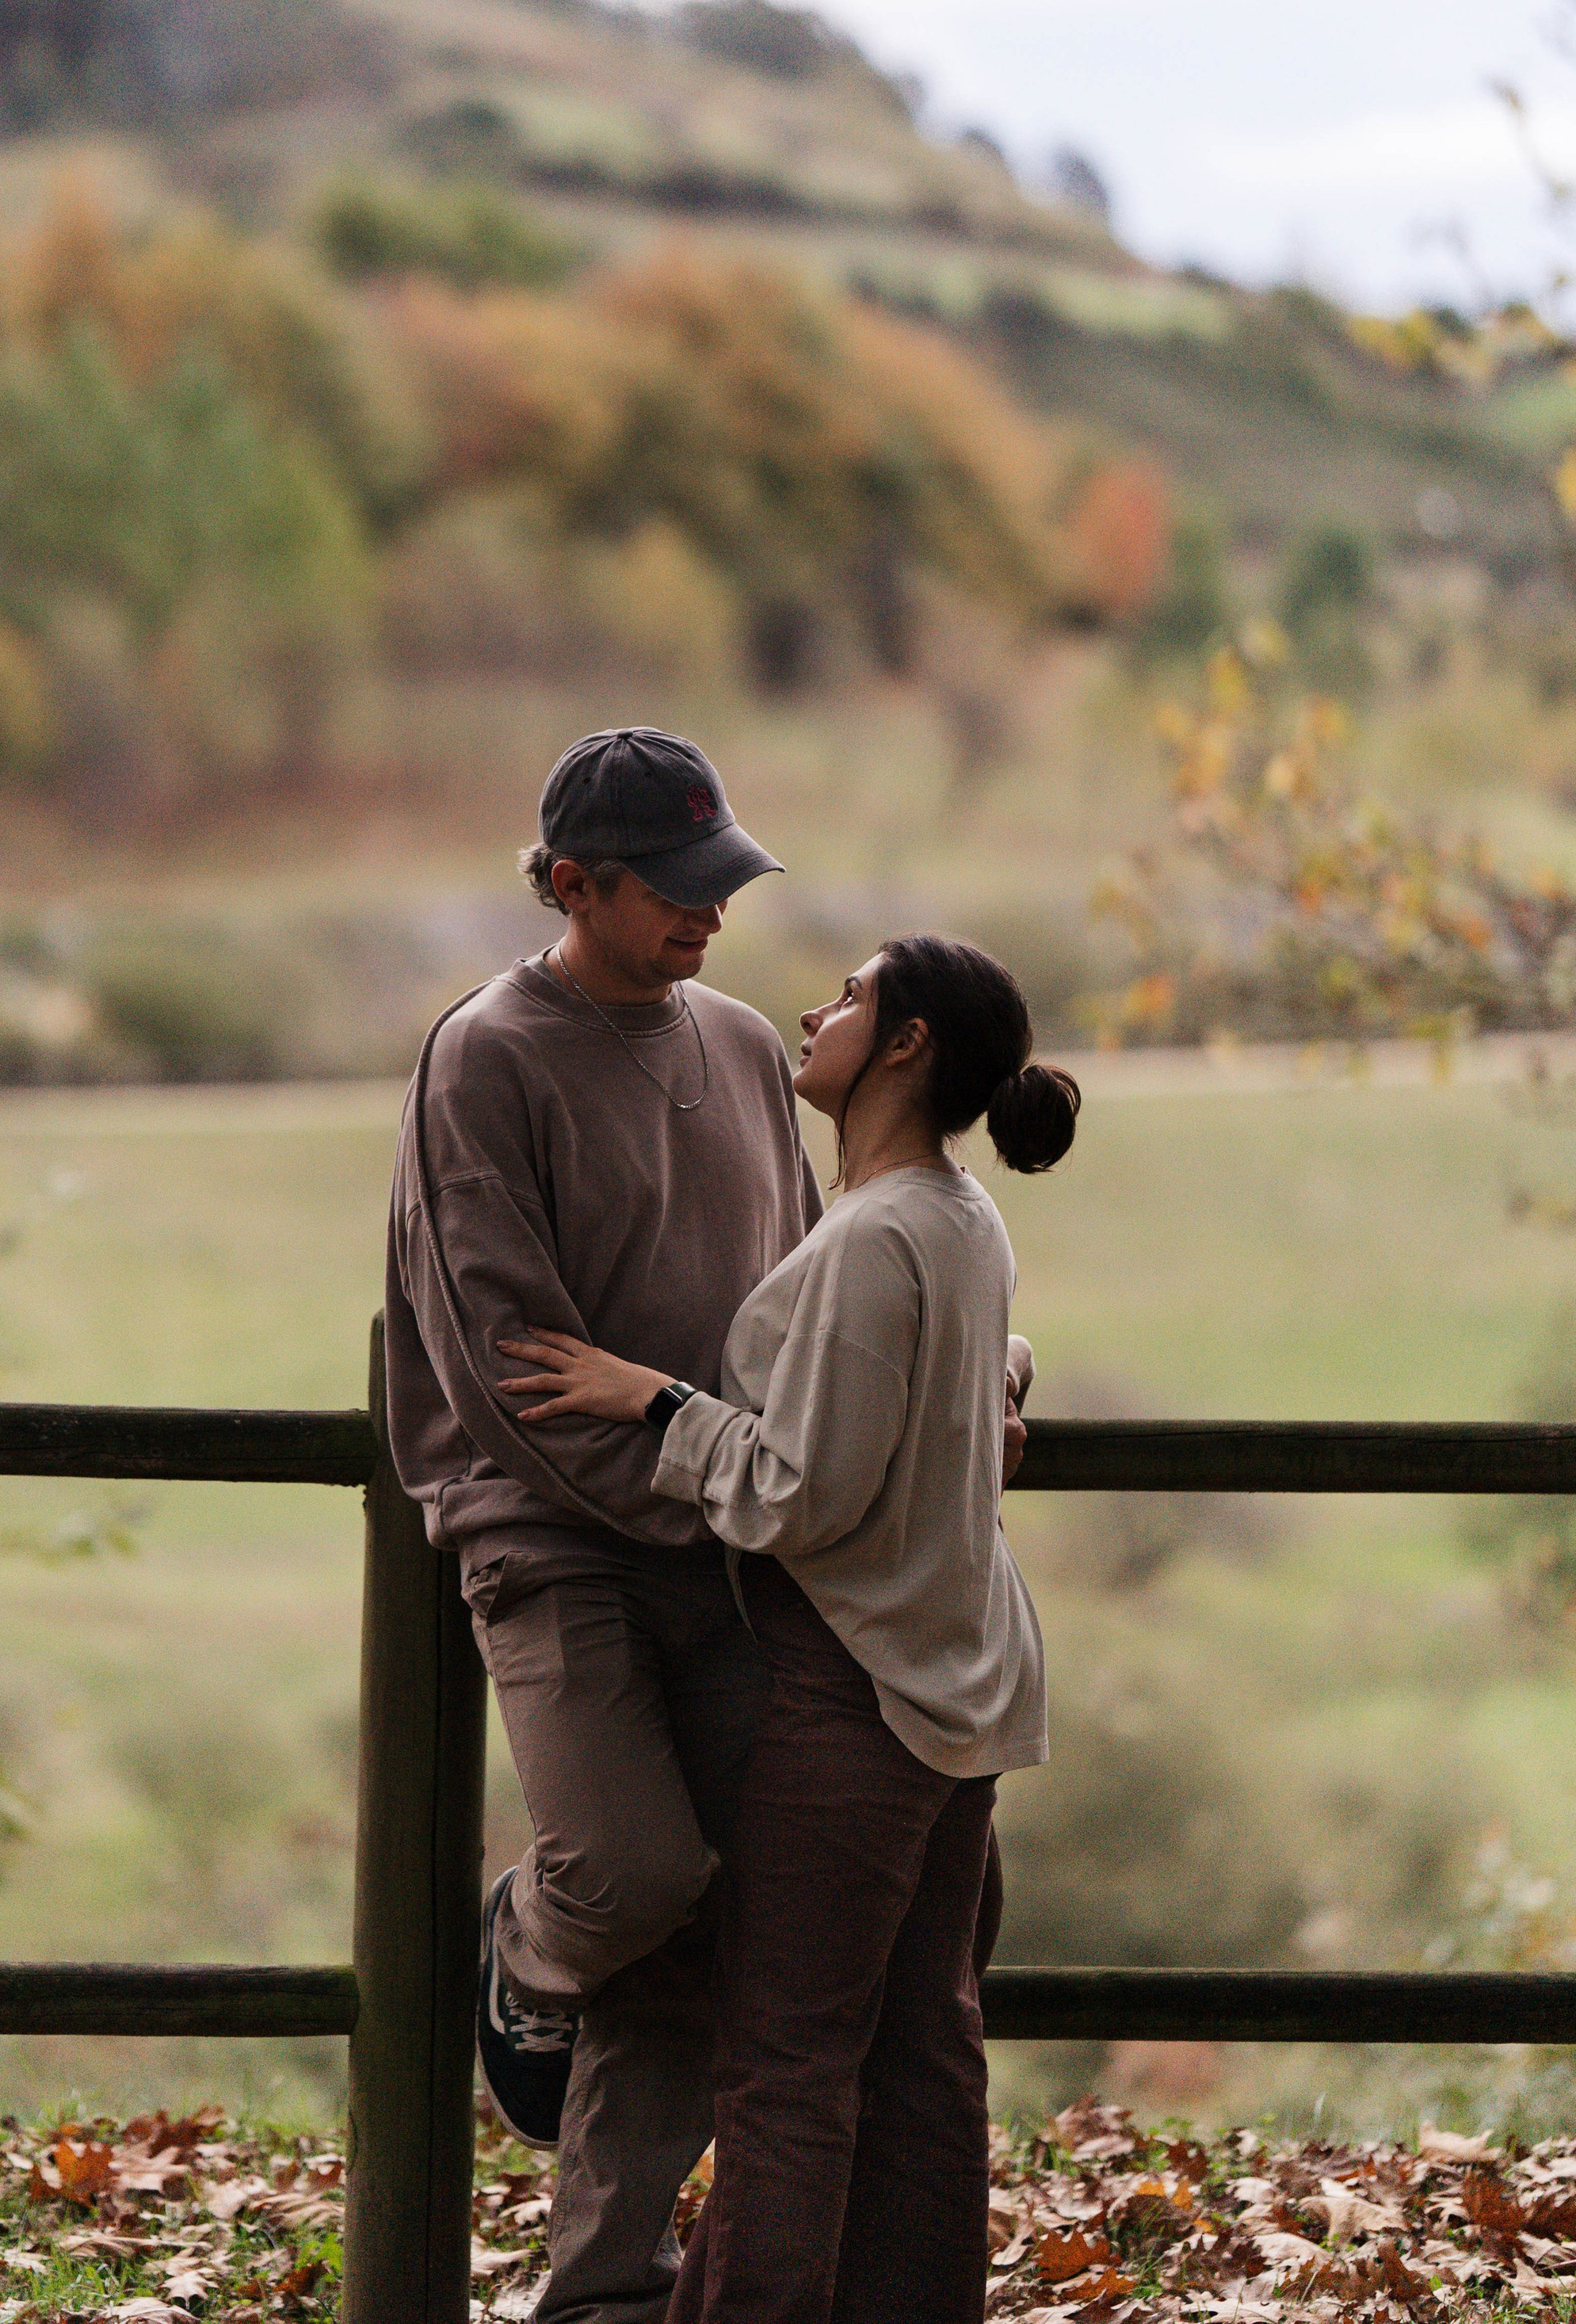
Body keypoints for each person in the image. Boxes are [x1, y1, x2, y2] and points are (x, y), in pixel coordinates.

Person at [498, 935, 1076, 2324]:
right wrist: (992, 1376)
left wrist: (648, 1398)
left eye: (851, 997)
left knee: (786, 2066)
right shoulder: (957, 1214)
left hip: (859, 1697)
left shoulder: (879, 1235)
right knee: (922, 2056)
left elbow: (798, 1495)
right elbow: (943, 1361)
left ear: (906, 1045)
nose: (814, 1013)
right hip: (965, 1686)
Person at [384, 726, 822, 2324]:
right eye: (673, 889)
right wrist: (717, 1483)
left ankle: (603, 2297)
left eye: (722, 881)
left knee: (705, 1923)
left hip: (728, 1529)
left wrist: (963, 1364)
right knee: (627, 1878)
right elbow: (502, 1354)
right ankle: (525, 1941)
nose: (709, 914)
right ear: (573, 884)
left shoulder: (734, 1046)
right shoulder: (486, 1055)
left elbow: (812, 1289)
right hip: (555, 1538)